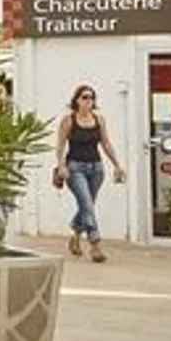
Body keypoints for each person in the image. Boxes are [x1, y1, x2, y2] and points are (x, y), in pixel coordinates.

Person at [53, 83, 127, 263]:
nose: (88, 101)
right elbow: (60, 145)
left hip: (96, 169)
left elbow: (106, 143)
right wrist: (61, 166)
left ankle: (75, 236)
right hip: (74, 168)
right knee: (87, 204)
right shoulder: (68, 120)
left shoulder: (99, 120)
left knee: (87, 206)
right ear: (77, 100)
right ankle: (95, 244)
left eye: (91, 98)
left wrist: (117, 165)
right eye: (85, 97)